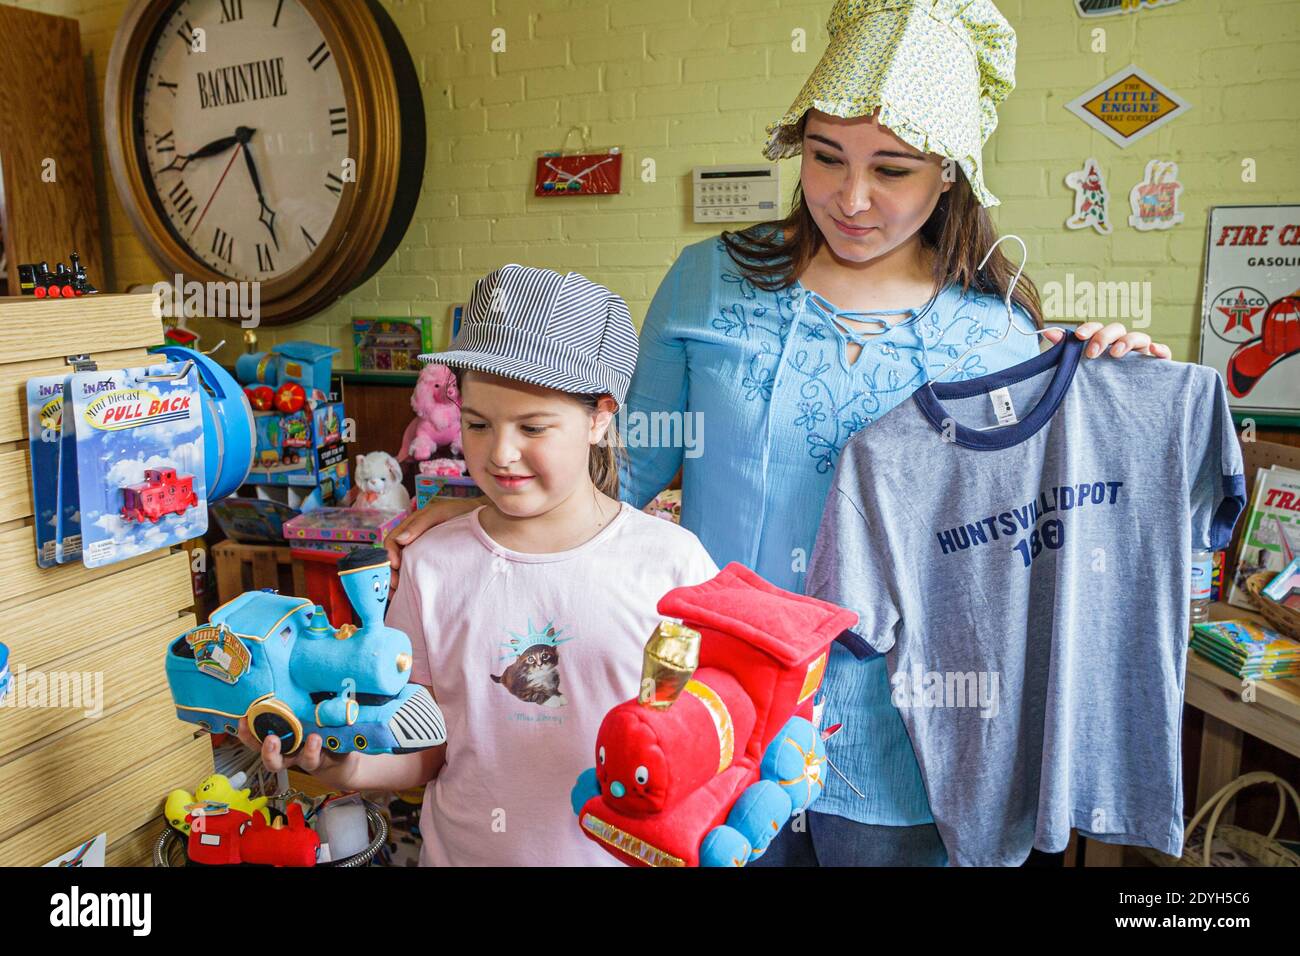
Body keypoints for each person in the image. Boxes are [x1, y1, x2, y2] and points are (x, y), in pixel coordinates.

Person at [386, 0, 1170, 866]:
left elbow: (1015, 553)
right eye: (826, 156)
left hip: (906, 737)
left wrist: (1113, 384)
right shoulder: (708, 283)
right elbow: (621, 473)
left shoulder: (997, 335)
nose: (851, 197)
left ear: (950, 172)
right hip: (714, 721)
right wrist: (484, 514)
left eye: (894, 169)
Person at [241, 265, 718, 866]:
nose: (500, 454)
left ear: (599, 416)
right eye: (477, 424)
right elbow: (429, 746)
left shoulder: (672, 565)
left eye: (533, 426)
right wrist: (352, 763)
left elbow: (711, 739)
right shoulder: (433, 563)